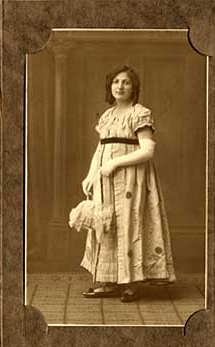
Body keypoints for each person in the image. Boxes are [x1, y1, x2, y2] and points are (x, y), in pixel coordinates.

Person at [79, 65, 176, 303]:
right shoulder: (107, 115)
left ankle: (133, 283)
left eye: (126, 82)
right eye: (115, 82)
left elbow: (148, 150)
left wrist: (115, 164)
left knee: (131, 225)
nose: (120, 86)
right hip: (106, 180)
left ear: (134, 88)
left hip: (133, 179)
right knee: (107, 224)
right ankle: (110, 281)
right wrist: (91, 174)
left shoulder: (140, 113)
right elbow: (101, 147)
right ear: (110, 87)